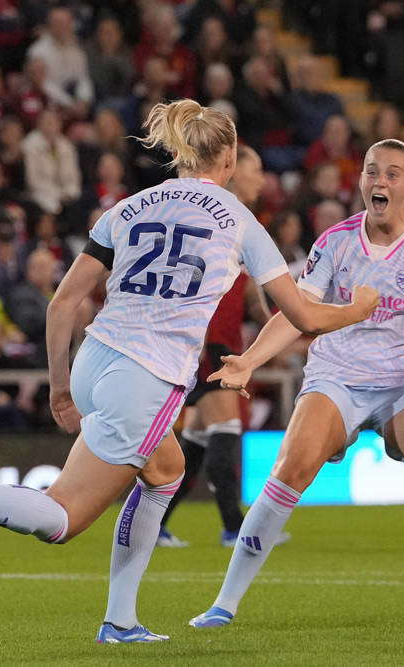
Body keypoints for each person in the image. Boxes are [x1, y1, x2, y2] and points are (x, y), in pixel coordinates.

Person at [0, 99, 378, 643]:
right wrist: (358, 309)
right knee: (62, 519)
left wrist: (58, 387)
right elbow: (303, 315)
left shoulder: (128, 207)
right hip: (147, 375)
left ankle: (121, 621)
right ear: (232, 157)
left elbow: (62, 304)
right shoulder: (240, 220)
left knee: (166, 470)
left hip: (95, 358)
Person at [189, 138, 404, 629]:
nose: (381, 181)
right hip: (340, 376)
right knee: (292, 467)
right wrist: (248, 360)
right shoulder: (335, 241)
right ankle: (224, 603)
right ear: (361, 180)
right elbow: (295, 315)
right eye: (373, 171)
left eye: (394, 174)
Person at [158, 145, 272, 548]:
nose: (263, 179)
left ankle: (156, 524)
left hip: (216, 343)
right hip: (207, 345)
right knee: (226, 429)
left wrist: (291, 331)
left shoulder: (242, 224)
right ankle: (234, 530)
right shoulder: (216, 219)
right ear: (233, 168)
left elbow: (256, 302)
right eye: (256, 168)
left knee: (199, 443)